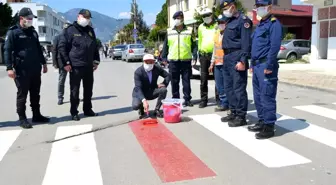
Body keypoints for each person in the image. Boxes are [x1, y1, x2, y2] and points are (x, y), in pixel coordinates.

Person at [4, 7, 50, 129]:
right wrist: (9, 68)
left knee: (35, 93)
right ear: (21, 18)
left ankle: (36, 115)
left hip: (35, 68)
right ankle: (22, 118)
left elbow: (38, 49)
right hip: (21, 69)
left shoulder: (33, 32)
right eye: (28, 18)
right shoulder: (13, 32)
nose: (30, 20)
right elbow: (7, 50)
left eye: (31, 18)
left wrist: (44, 63)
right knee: (22, 94)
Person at [247, 0, 282, 139]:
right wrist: (251, 64)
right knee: (258, 96)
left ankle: (269, 126)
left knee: (267, 96)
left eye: (262, 6)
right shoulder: (260, 24)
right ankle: (262, 121)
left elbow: (274, 47)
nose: (259, 9)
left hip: (266, 65)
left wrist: (269, 65)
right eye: (257, 6)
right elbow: (256, 47)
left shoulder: (274, 24)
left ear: (269, 7)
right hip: (256, 65)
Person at [58, 9, 100, 121]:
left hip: (88, 66)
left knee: (88, 90)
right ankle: (74, 111)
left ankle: (87, 109)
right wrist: (66, 63)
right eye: (85, 17)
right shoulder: (70, 30)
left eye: (88, 18)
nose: (86, 20)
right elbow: (62, 47)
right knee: (74, 90)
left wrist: (96, 61)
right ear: (78, 17)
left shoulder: (90, 31)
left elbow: (94, 47)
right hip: (75, 65)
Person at [219, 0, 253, 127]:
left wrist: (243, 60)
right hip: (227, 56)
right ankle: (233, 111)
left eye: (226, 8)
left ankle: (241, 115)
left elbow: (245, 42)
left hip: (237, 56)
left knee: (238, 87)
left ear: (233, 7)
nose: (224, 11)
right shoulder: (228, 21)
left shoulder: (243, 21)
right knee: (229, 87)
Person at [161, 11, 197, 107]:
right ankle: (176, 99)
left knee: (186, 81)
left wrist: (195, 55)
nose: (178, 20)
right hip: (173, 60)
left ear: (183, 19)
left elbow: (194, 45)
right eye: (176, 18)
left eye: (180, 18)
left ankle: (187, 99)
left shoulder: (190, 30)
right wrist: (163, 57)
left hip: (186, 60)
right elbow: (165, 46)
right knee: (174, 82)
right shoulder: (169, 31)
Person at [132, 54, 171, 118]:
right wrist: (144, 101)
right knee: (135, 106)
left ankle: (157, 110)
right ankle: (141, 108)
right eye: (148, 62)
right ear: (144, 62)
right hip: (141, 92)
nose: (150, 63)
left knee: (163, 90)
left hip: (152, 91)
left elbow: (168, 75)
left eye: (152, 61)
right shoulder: (138, 72)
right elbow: (138, 88)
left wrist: (164, 83)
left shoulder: (157, 68)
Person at [197, 8, 218, 108]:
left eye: (207, 15)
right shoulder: (201, 27)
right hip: (204, 55)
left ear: (211, 15)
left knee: (217, 78)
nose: (205, 17)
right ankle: (203, 100)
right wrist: (199, 53)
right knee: (203, 79)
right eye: (203, 16)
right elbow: (200, 40)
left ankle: (219, 99)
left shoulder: (217, 25)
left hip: (216, 55)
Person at [209, 14, 230, 112]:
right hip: (217, 63)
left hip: (227, 63)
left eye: (222, 22)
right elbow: (215, 49)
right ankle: (223, 102)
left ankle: (228, 103)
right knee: (219, 85)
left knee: (227, 84)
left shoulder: (229, 33)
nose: (220, 24)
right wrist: (212, 63)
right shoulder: (217, 34)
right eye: (219, 23)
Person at [52, 23, 70, 105]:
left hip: (71, 61)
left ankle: (73, 96)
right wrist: (55, 62)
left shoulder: (71, 37)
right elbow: (54, 50)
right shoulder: (58, 37)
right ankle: (60, 97)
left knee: (66, 80)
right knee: (62, 80)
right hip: (62, 62)